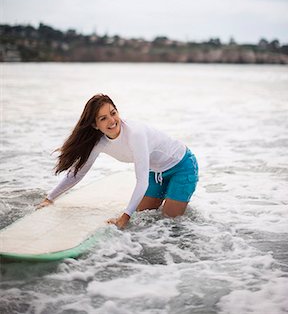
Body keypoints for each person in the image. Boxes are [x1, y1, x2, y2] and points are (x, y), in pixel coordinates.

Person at [38, 94, 199, 229]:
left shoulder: (135, 134)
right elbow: (78, 173)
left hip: (182, 166)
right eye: (103, 118)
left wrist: (124, 217)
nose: (112, 121)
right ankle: (175, 200)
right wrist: (49, 199)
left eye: (113, 113)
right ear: (95, 124)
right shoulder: (99, 143)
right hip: (157, 171)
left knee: (169, 223)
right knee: (143, 219)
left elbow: (141, 181)